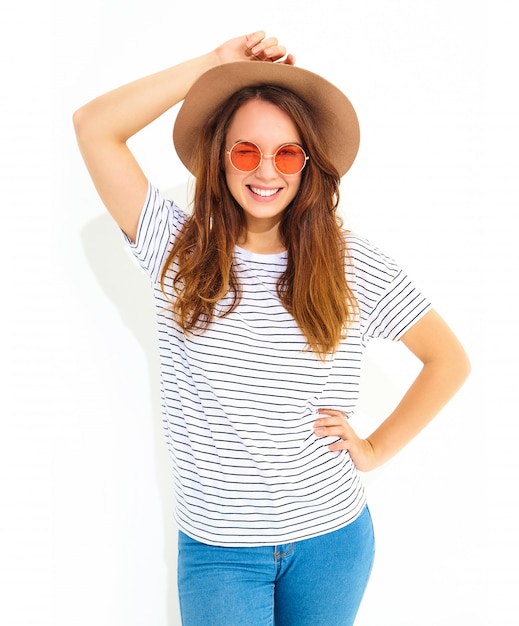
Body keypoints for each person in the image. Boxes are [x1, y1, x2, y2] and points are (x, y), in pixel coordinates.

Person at [73, 30, 471, 626]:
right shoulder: (176, 249)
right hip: (220, 552)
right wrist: (213, 67)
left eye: (287, 154)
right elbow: (93, 126)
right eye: (245, 151)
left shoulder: (349, 260)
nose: (266, 171)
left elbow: (449, 359)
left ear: (308, 165)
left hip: (333, 540)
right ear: (220, 157)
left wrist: (374, 449)